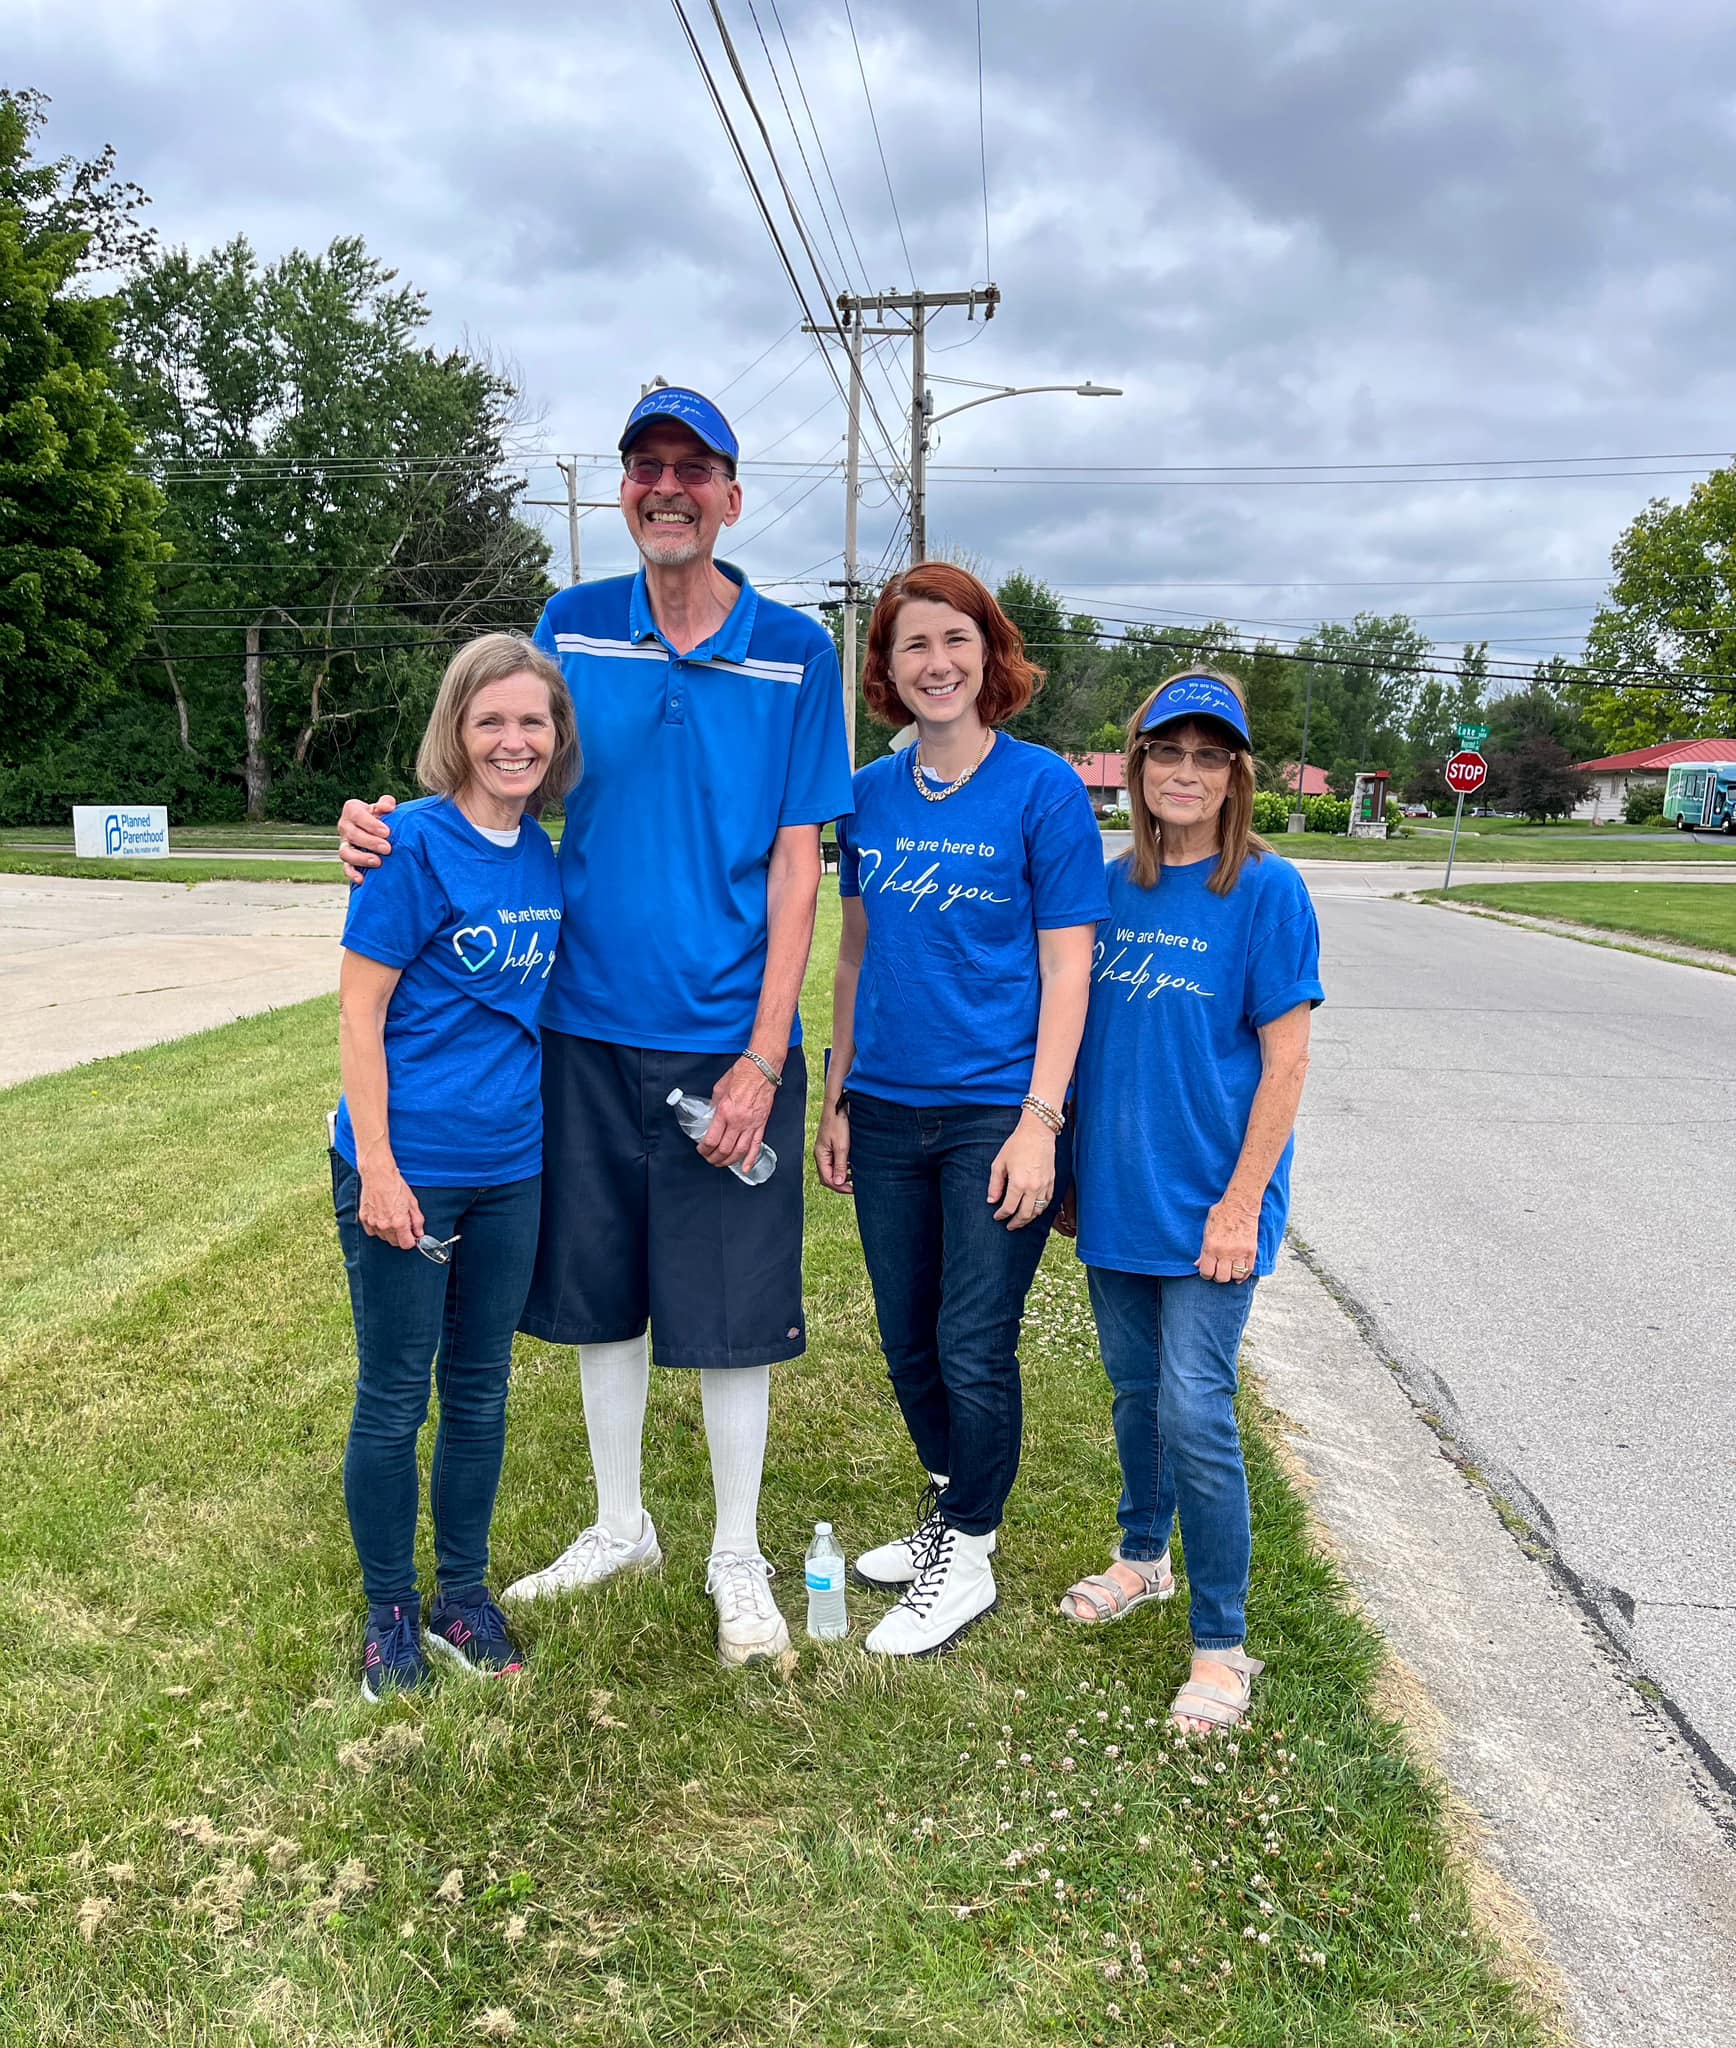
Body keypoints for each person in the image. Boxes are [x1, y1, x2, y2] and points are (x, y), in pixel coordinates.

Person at [340, 388, 853, 1667]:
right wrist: (388, 823)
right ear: (622, 492)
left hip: (724, 1037)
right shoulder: (569, 626)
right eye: (643, 466)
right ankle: (622, 1521)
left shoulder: (797, 649)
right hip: (575, 1031)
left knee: (733, 1302)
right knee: (598, 1295)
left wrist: (764, 1050)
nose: (665, 486)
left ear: (731, 495)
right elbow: (496, 761)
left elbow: (800, 866)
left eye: (693, 467)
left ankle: (737, 1552)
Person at [814, 563, 1107, 1656]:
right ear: (885, 671)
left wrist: (1042, 1119)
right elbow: (851, 953)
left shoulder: (1041, 790)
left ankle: (967, 1550)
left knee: (971, 1339)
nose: (935, 663)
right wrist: (837, 1093)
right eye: (910, 647)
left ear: (989, 652)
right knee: (904, 1339)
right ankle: (949, 1506)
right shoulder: (865, 792)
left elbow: (1067, 967)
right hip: (884, 1107)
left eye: (954, 640)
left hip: (996, 1107)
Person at [1059, 668, 1321, 1735]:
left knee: (1194, 1413)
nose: (1184, 772)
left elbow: (1286, 1062)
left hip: (1213, 1202)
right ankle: (1141, 1556)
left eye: (1208, 756)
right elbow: (1080, 1041)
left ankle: (1220, 1641)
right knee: (1133, 1395)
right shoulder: (1103, 887)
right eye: (1167, 752)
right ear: (1136, 764)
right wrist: (1070, 1166)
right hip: (1114, 1196)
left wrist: (1239, 1202)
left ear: (1233, 776)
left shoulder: (1264, 890)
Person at [332, 633, 578, 1701]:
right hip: (407, 1165)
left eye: (532, 721)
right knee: (395, 1394)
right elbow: (359, 1006)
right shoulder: (407, 845)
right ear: (457, 731)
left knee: (478, 1391)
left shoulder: (544, 854)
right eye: (492, 721)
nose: (513, 739)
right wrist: (380, 1167)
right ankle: (390, 1607)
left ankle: (461, 1594)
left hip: (510, 1165)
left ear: (556, 736)